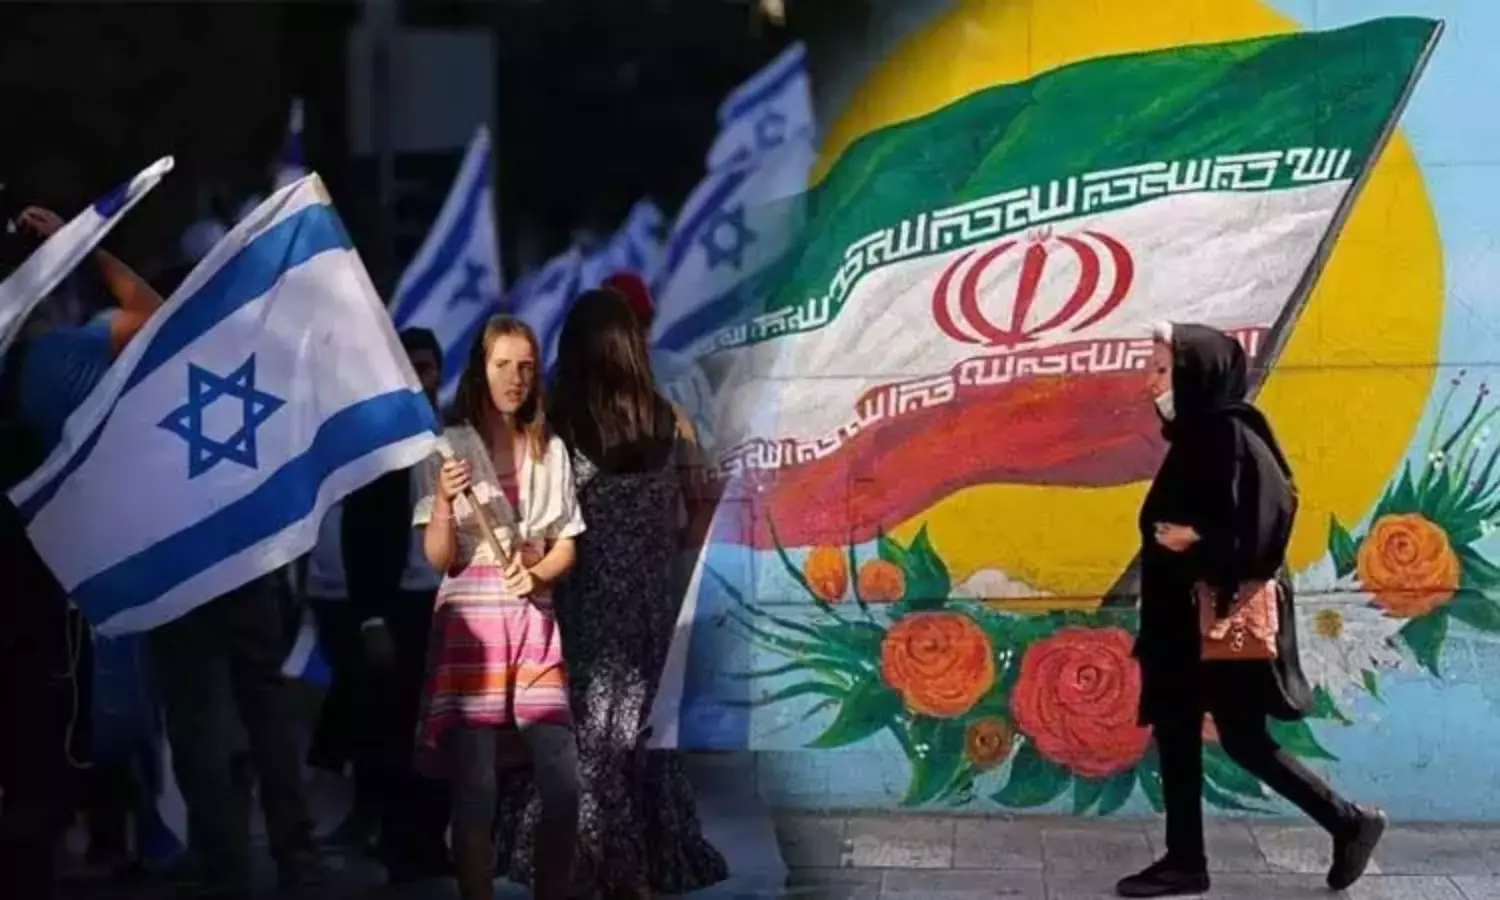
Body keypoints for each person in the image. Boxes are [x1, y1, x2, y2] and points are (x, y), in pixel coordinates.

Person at [1117, 323, 1386, 898]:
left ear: (1197, 373)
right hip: (1184, 622)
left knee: (1240, 738)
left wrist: (1196, 540)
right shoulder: (1199, 435)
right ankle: (1186, 861)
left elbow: (1268, 524)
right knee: (1179, 730)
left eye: (1161, 370)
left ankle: (1347, 822)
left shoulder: (1229, 434)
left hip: (1216, 618)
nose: (1150, 383)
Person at [494, 288, 728, 899]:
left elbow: (534, 532)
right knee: (641, 736)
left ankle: (598, 865)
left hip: (580, 613)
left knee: (586, 739)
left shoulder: (555, 431)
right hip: (652, 608)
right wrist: (666, 553)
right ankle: (644, 863)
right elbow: (705, 504)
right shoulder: (670, 420)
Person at [0, 203, 168, 896]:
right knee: (43, 747)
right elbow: (155, 317)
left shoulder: (51, 358)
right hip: (41, 585)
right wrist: (85, 243)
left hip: (34, 591)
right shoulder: (56, 360)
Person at [414, 315, 584, 900]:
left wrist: (535, 574)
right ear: (480, 370)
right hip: (472, 627)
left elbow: (567, 544)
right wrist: (443, 499)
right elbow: (439, 558)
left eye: (526, 366)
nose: (515, 378)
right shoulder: (447, 447)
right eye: (503, 364)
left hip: (533, 619)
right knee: (476, 789)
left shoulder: (550, 448)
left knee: (563, 785)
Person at [305, 327, 452, 882]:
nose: (420, 377)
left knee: (441, 732)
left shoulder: (455, 439)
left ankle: (431, 842)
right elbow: (361, 534)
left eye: (427, 366)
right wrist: (371, 617)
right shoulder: (376, 448)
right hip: (397, 607)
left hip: (448, 604)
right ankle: (397, 844)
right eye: (410, 366)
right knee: (392, 731)